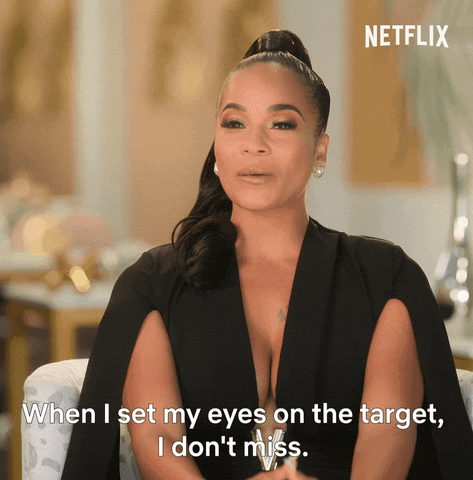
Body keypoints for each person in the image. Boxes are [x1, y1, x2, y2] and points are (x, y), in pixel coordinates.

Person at [60, 30, 473, 480]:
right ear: (216, 148)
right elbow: (157, 439)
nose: (253, 144)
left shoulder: (383, 278)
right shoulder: (154, 283)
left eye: (281, 124)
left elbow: (387, 433)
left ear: (320, 149)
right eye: (235, 123)